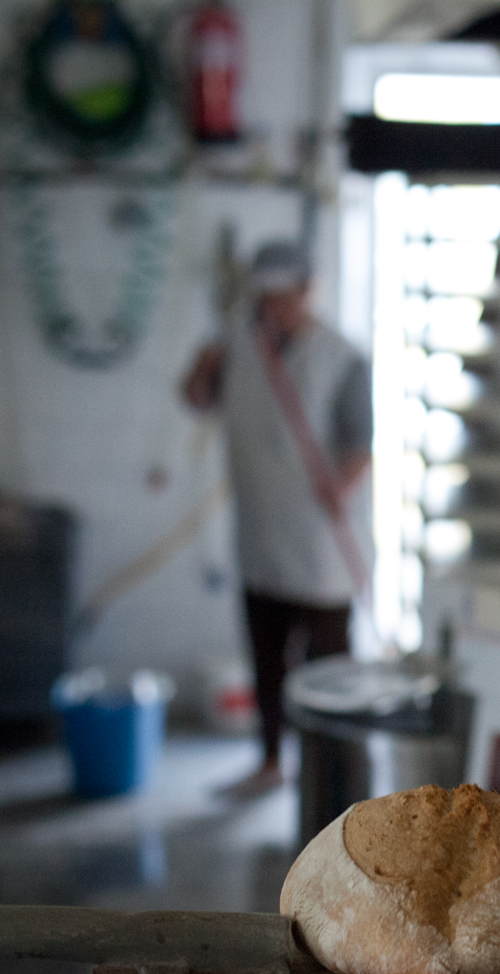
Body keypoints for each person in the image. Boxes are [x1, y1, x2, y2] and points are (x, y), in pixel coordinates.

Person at [183, 241, 372, 799]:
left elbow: (360, 442)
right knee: (267, 659)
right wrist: (202, 367)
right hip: (261, 531)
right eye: (266, 298)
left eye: (285, 297)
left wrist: (341, 485)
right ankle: (270, 760)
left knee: (329, 668)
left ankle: (334, 775)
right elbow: (196, 398)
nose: (274, 309)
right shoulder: (236, 347)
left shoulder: (341, 356)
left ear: (309, 291)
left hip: (318, 542)